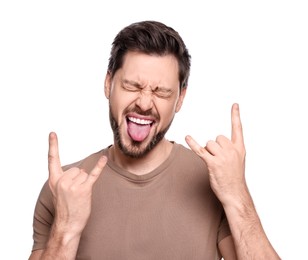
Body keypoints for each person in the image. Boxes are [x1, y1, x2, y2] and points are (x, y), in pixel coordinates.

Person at [28, 20, 280, 260]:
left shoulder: (214, 181)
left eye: (161, 92)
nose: (145, 103)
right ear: (108, 84)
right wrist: (66, 228)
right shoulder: (63, 188)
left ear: (180, 98)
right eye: (132, 86)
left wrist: (237, 194)